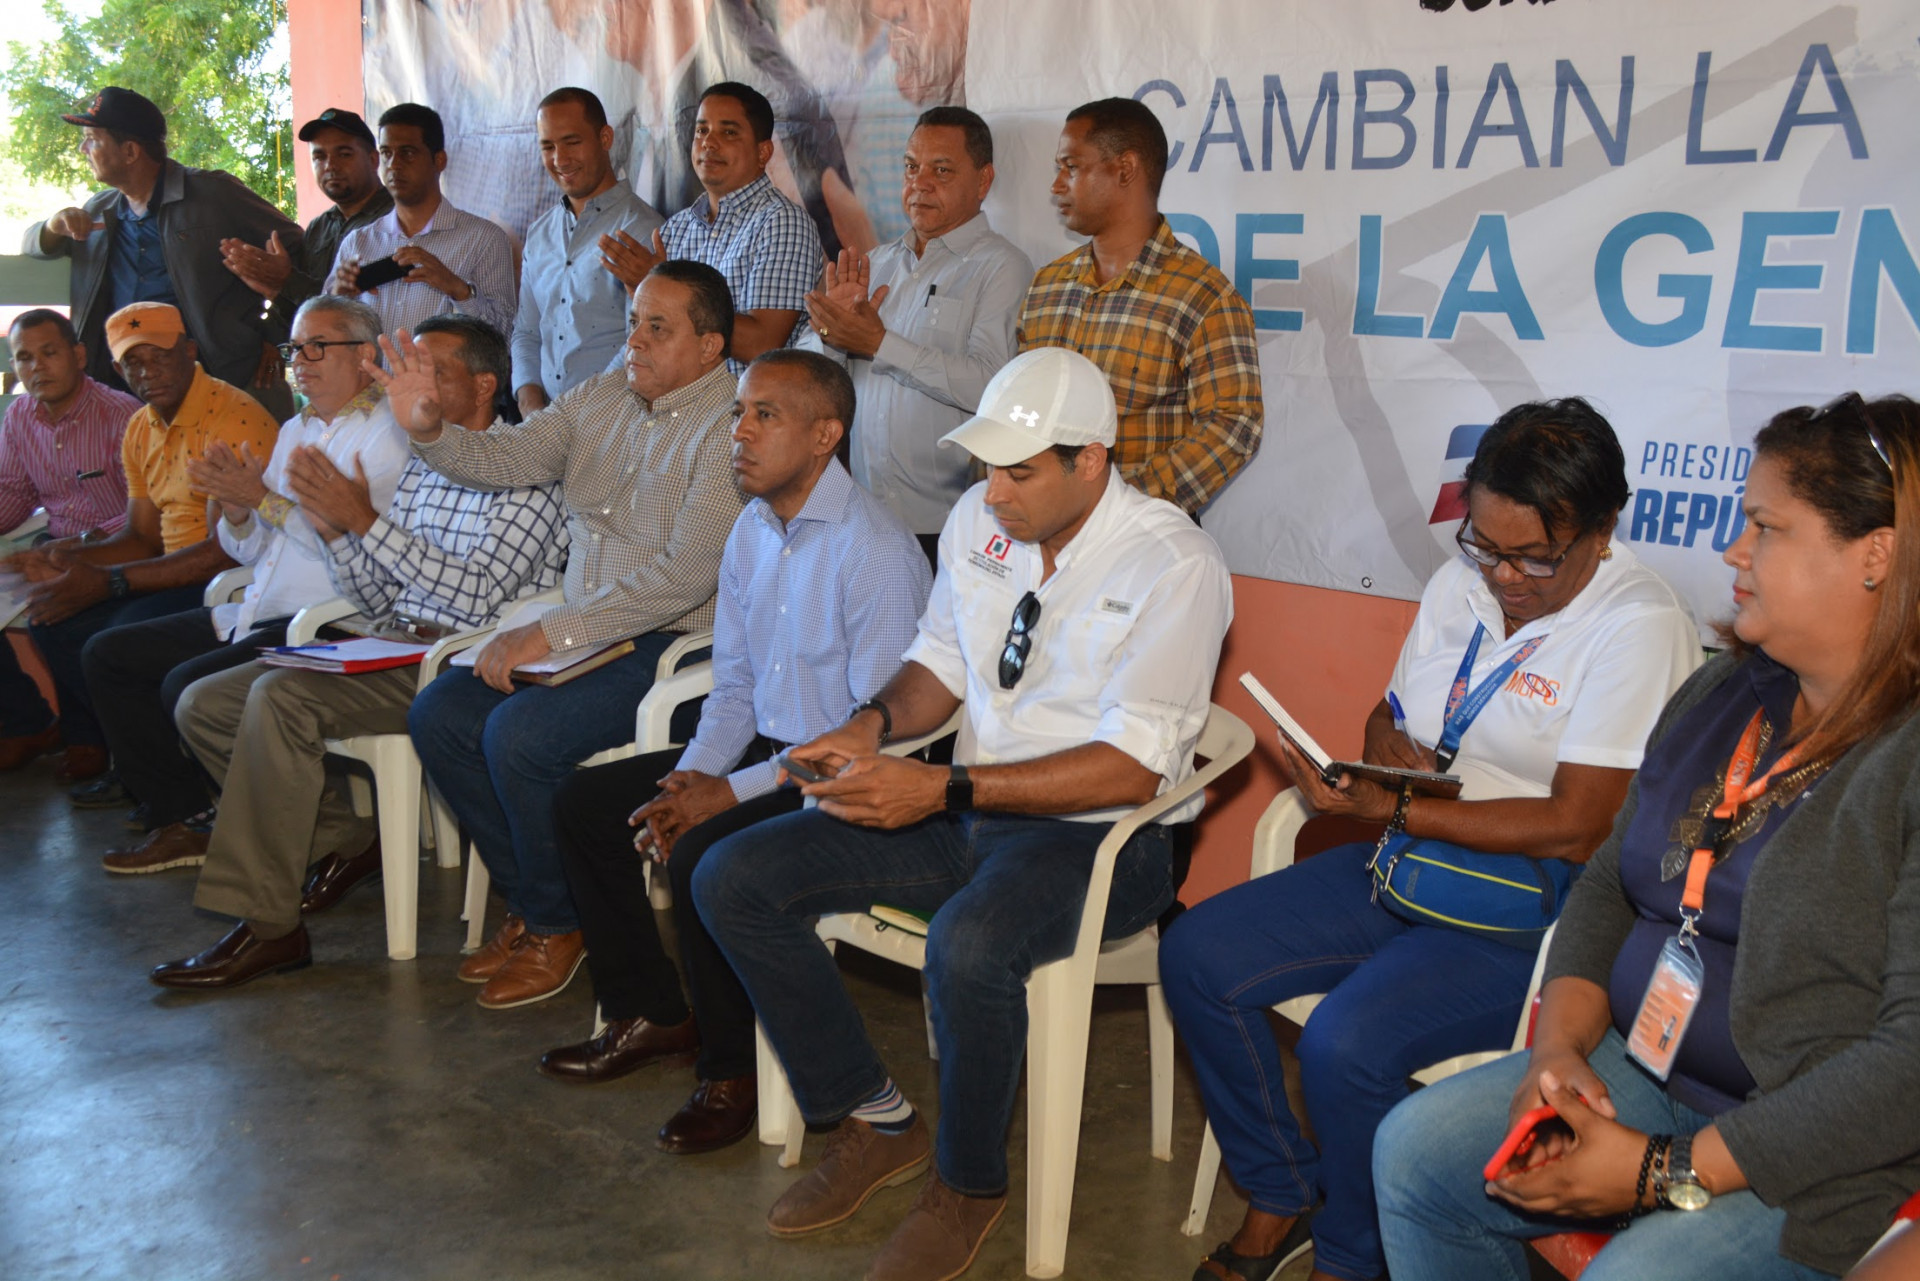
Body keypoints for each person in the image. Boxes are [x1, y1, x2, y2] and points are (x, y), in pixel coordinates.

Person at [694, 346, 1233, 1281]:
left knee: (971, 943)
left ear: (1091, 461)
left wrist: (943, 789)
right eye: (987, 466)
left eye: (1019, 472)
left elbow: (1133, 768)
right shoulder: (980, 524)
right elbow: (939, 665)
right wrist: (870, 725)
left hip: (1103, 841)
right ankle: (875, 1118)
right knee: (731, 874)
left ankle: (968, 1185)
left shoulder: (1173, 562)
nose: (993, 492)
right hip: (971, 807)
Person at [1374, 394, 1920, 1279]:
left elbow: (1906, 1068)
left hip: (1821, 1151)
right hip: (1646, 1070)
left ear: (1876, 554)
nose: (1734, 552)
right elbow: (1607, 884)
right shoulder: (1722, 695)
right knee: (1415, 1155)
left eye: (1766, 528)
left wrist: (1661, 1169)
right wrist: (1556, 1054)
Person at [1159, 399, 1700, 1281]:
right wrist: (1379, 752)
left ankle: (1352, 1255)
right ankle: (1281, 1186)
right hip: (1412, 860)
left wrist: (1395, 809)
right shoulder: (1462, 584)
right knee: (1196, 952)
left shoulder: (1639, 623)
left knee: (1344, 1045)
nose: (1506, 576)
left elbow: (1580, 824)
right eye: (1486, 544)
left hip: (1531, 908)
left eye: (1535, 556)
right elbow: (1394, 711)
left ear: (1603, 530)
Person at [540, 349, 930, 1157]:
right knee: (587, 804)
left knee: (701, 851)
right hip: (767, 748)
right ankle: (653, 1012)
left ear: (825, 435)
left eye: (765, 415)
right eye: (737, 413)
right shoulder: (753, 528)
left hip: (841, 777)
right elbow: (736, 688)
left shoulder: (875, 550)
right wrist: (692, 775)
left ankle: (733, 1070)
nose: (740, 433)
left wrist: (724, 794)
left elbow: (869, 735)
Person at [150, 315, 568, 991]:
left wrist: (363, 521)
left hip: (461, 664)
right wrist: (337, 532)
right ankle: (342, 836)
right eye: (405, 369)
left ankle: (270, 928)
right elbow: (377, 595)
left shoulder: (528, 470)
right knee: (204, 703)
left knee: (278, 698)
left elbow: (475, 599)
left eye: (429, 371)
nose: (408, 385)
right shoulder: (426, 465)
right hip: (393, 639)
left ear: (484, 385)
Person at [395, 259, 744, 1010]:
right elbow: (509, 457)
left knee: (518, 734)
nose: (635, 340)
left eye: (658, 328)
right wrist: (430, 431)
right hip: (586, 635)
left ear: (710, 346)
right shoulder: (603, 394)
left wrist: (550, 633)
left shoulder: (731, 427)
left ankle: (559, 922)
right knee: (440, 713)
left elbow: (683, 578)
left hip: (672, 644)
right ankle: (538, 900)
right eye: (633, 322)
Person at [90, 296, 409, 875]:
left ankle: (325, 830)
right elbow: (257, 548)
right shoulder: (295, 428)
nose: (300, 363)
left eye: (317, 347)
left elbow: (356, 544)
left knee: (186, 688)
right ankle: (183, 816)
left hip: (329, 618)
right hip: (256, 609)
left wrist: (262, 499)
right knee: (109, 654)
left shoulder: (390, 433)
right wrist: (238, 512)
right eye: (294, 349)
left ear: (366, 355)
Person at [9, 303, 280, 800]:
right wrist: (64, 561)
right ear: (118, 368)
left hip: (228, 582)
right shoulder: (142, 425)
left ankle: (170, 779)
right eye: (134, 362)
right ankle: (132, 755)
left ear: (190, 352)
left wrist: (110, 582)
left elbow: (225, 553)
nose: (148, 372)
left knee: (112, 637)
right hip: (169, 569)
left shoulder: (231, 417)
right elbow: (141, 537)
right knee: (53, 615)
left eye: (160, 356)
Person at [800, 106, 1032, 558]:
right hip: (863, 515)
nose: (919, 184)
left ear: (983, 181)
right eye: (911, 167)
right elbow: (812, 382)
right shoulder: (876, 262)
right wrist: (832, 337)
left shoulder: (1003, 267)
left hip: (951, 523)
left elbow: (992, 386)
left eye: (941, 170)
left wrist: (878, 344)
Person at [1018, 97, 1263, 515]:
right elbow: (1019, 405)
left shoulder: (1203, 296)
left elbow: (1234, 424)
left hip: (1141, 536)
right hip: (1042, 526)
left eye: (1071, 167)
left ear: (1125, 169)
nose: (1056, 185)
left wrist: (1120, 507)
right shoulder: (1047, 286)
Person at [24, 86, 304, 420]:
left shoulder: (212, 193)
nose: (83, 149)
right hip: (126, 388)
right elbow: (31, 244)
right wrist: (51, 227)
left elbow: (300, 248)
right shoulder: (98, 211)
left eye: (92, 140)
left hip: (223, 380)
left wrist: (275, 334)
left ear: (130, 151)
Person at [0, 310, 139, 772]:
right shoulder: (19, 416)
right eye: (24, 358)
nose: (36, 366)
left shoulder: (122, 414)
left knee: (52, 613)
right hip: (53, 549)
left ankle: (98, 737)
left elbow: (145, 512)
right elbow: (13, 493)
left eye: (49, 352)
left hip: (118, 551)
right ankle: (29, 723)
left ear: (78, 356)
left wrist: (77, 546)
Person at [603, 83, 824, 373]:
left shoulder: (782, 223)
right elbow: (641, 343)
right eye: (701, 130)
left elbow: (762, 344)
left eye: (728, 132)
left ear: (763, 152)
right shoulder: (676, 228)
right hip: (665, 396)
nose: (708, 142)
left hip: (737, 400)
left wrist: (662, 289)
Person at [511, 86, 664, 416]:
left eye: (572, 142)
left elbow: (645, 339)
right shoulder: (539, 233)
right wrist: (531, 408)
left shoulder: (643, 231)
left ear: (605, 138)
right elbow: (526, 332)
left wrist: (577, 418)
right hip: (542, 425)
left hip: (614, 424)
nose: (560, 159)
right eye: (548, 146)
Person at [328, 103, 517, 339]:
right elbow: (323, 335)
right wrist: (338, 298)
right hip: (372, 366)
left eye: (407, 153)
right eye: (386, 153)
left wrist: (458, 289)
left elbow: (506, 336)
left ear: (439, 160)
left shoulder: (484, 239)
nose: (394, 164)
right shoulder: (357, 243)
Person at [221, 108, 395, 331]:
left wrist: (287, 279)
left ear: (373, 159)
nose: (330, 166)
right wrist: (274, 291)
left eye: (344, 154)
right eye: (319, 157)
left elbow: (359, 307)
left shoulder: (397, 217)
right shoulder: (319, 227)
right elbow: (305, 313)